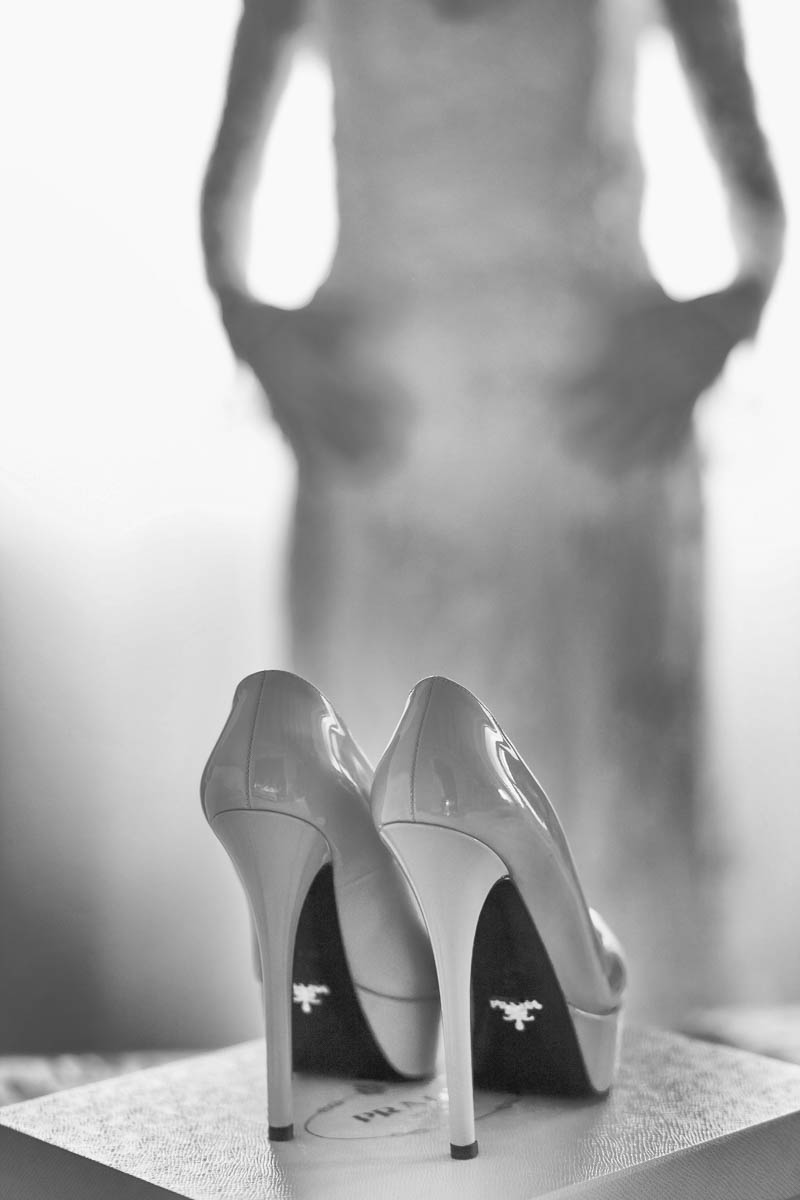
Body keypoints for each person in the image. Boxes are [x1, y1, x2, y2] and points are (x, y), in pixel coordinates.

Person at [201, 0, 784, 1021]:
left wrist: (720, 321)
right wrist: (256, 333)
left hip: (591, 477)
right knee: (371, 856)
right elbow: (225, 203)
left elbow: (758, 212)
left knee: (612, 874)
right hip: (383, 481)